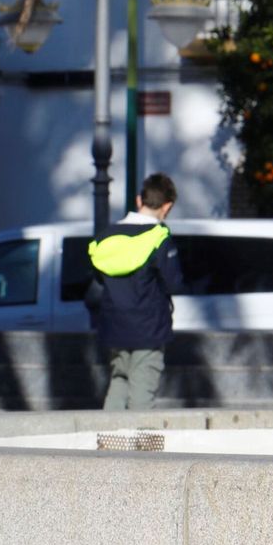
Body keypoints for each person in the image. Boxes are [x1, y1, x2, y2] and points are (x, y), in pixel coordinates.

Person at [91, 173, 180, 411]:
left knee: (119, 381)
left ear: (139, 200)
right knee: (142, 391)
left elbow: (99, 278)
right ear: (167, 206)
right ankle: (138, 447)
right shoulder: (159, 237)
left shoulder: (105, 236)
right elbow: (173, 282)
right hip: (148, 328)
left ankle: (106, 443)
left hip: (114, 325)